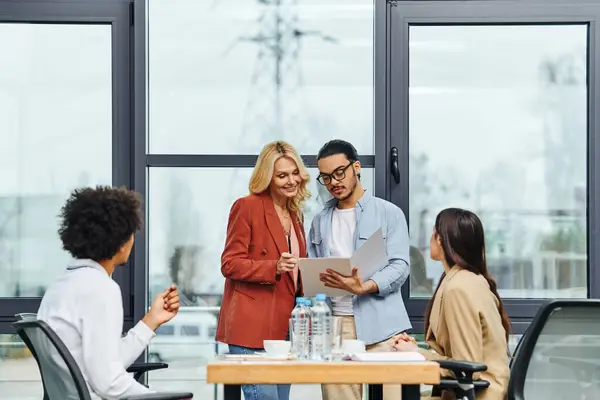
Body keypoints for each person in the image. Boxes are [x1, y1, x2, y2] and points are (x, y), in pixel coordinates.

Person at [37, 186, 182, 400]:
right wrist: (161, 397)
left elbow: (104, 364)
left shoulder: (60, 287)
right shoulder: (100, 289)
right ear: (121, 242)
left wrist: (151, 320)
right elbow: (109, 384)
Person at [308, 139, 411, 400]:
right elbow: (313, 269)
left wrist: (365, 286)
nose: (333, 182)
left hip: (383, 326)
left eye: (339, 172)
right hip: (336, 327)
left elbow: (400, 266)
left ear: (356, 167)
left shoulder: (390, 214)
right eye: (326, 177)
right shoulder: (320, 220)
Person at [216, 141, 311, 400]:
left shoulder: (295, 215)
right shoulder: (247, 206)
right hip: (252, 328)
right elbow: (229, 263)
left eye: (294, 173)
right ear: (267, 177)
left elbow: (295, 272)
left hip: (284, 328)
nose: (291, 181)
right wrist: (274, 267)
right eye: (282, 175)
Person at [393, 208, 511, 400]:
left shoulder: (459, 288)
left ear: (441, 239)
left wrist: (418, 354)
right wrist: (418, 350)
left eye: (433, 232)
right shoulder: (467, 279)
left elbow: (467, 367)